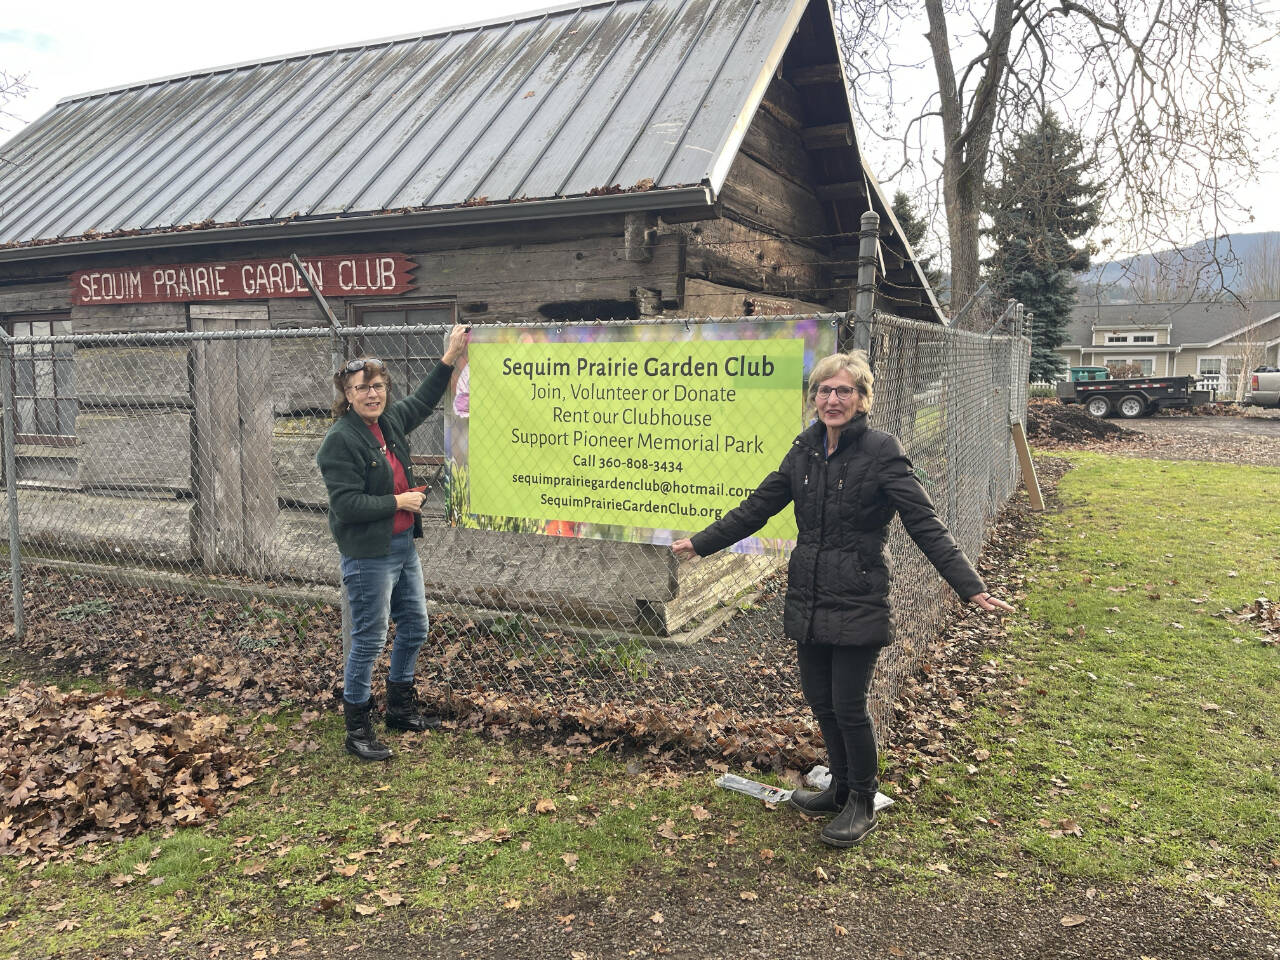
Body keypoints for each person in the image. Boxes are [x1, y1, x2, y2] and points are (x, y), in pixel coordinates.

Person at [672, 350, 1014, 846]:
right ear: (813, 398)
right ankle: (837, 789)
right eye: (823, 390)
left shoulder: (882, 452)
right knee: (821, 701)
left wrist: (970, 585)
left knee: (850, 705)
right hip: (808, 593)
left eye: (843, 391)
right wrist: (701, 542)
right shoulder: (804, 448)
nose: (831, 399)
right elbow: (759, 506)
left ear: (862, 398)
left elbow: (925, 523)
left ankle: (860, 800)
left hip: (858, 594)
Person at [317, 324, 470, 761]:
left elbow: (422, 401)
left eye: (378, 386)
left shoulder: (389, 422)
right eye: (362, 388)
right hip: (369, 555)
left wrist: (449, 357)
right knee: (368, 638)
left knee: (416, 625)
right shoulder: (339, 441)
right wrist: (398, 500)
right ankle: (357, 729)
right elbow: (346, 505)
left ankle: (400, 709)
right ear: (347, 394)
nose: (372, 394)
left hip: (403, 547)